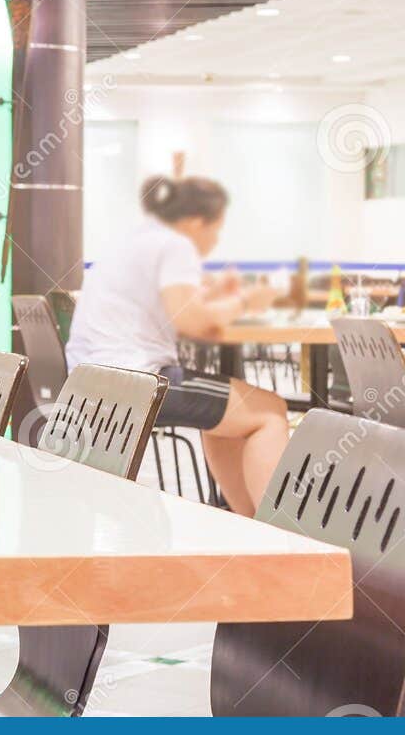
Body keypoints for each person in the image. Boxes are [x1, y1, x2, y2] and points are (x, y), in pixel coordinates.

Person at [65, 175, 287, 515]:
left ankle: (249, 522)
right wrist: (247, 302)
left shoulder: (137, 238)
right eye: (216, 230)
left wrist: (216, 297)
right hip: (137, 382)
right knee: (270, 412)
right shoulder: (174, 244)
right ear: (197, 223)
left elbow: (173, 307)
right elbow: (191, 321)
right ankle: (282, 539)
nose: (215, 240)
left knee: (228, 417)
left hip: (92, 380)